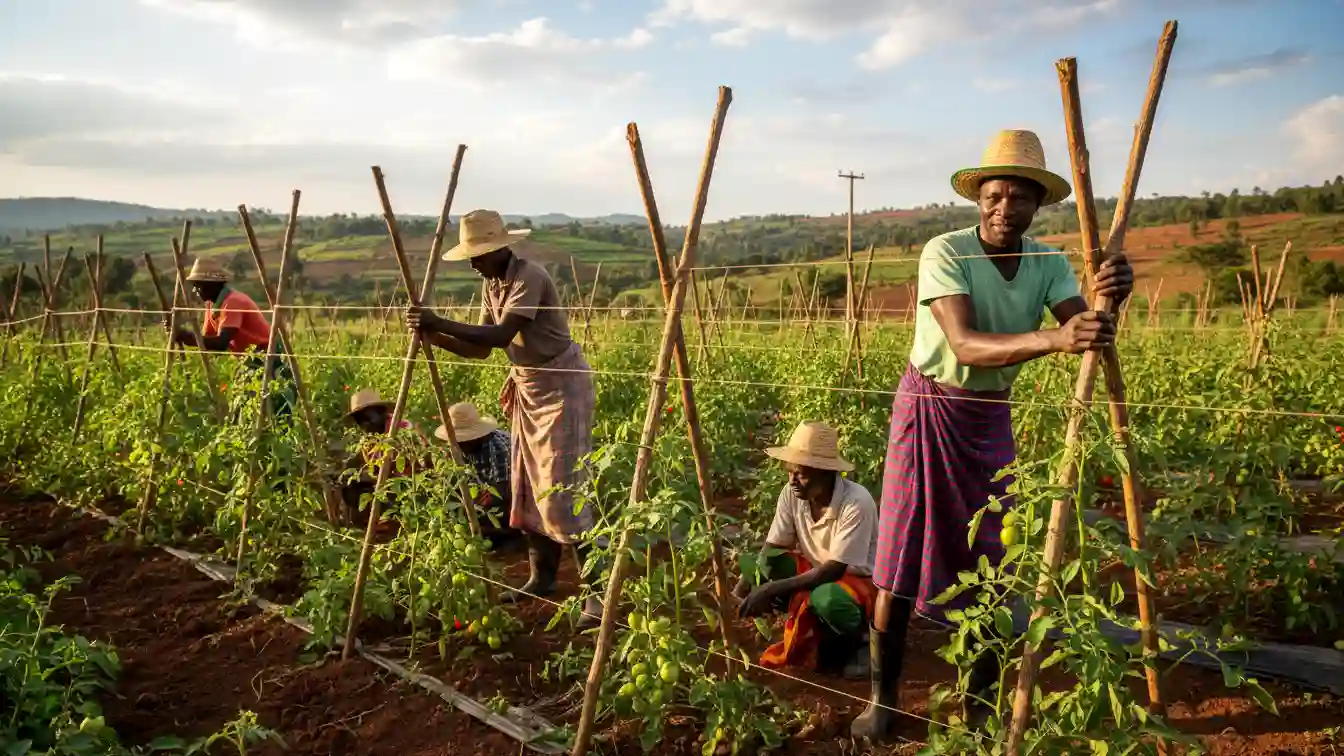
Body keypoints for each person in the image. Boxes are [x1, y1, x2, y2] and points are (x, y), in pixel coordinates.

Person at [851, 129, 1135, 740]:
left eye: (1019, 199)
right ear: (978, 199)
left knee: (989, 558)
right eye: (994, 196)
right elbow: (965, 345)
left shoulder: (1048, 262)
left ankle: (977, 709)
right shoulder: (945, 251)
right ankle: (885, 699)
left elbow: (1083, 329)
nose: (1005, 209)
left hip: (987, 418)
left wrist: (1111, 300)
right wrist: (1055, 340)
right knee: (898, 557)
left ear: (1038, 205)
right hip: (927, 408)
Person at [405, 209, 601, 625]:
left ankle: (597, 596)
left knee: (564, 489)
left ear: (498, 249)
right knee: (527, 484)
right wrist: (433, 336)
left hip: (561, 389)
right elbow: (478, 350)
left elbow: (498, 337)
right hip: (529, 388)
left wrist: (438, 319)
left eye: (477, 256)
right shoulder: (495, 284)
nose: (473, 265)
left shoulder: (528, 276)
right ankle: (541, 577)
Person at [735, 421, 877, 678]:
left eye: (801, 473)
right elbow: (774, 545)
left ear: (826, 472)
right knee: (769, 563)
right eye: (790, 472)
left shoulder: (856, 503)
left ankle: (862, 641)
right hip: (817, 571)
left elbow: (834, 569)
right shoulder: (792, 494)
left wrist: (770, 589)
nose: (793, 481)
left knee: (828, 599)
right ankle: (818, 626)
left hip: (857, 582)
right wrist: (743, 587)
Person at [168, 257, 294, 421]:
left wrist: (186, 337)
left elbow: (221, 343)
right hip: (248, 359)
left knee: (275, 405)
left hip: (266, 356)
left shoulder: (233, 302)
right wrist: (180, 333)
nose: (195, 291)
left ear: (212, 284)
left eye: (199, 285)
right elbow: (208, 338)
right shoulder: (213, 305)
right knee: (247, 405)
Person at [434, 402, 519, 544]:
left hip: (515, 493)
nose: (459, 445)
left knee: (493, 520)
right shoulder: (464, 447)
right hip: (486, 491)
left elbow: (503, 491)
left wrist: (475, 511)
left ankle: (511, 534)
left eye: (463, 440)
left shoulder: (498, 447)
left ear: (476, 436)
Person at [338, 388, 421, 529]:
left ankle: (393, 524)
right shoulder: (369, 439)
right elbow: (374, 469)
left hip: (412, 486)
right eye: (360, 421)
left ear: (381, 412)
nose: (365, 424)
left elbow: (411, 469)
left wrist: (372, 478)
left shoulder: (402, 430)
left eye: (369, 417)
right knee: (350, 489)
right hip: (386, 484)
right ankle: (372, 524)